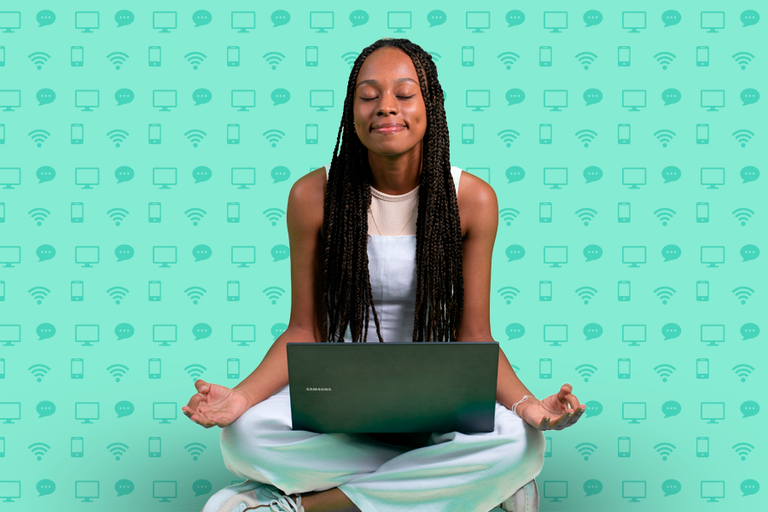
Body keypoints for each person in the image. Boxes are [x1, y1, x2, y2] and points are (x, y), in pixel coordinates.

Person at [184, 37, 586, 512]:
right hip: (339, 403)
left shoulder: (472, 200)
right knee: (243, 437)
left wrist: (529, 407)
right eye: (369, 95)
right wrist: (240, 399)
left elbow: (475, 338)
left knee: (522, 443)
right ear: (351, 111)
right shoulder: (313, 197)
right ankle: (471, 482)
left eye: (403, 93)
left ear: (430, 105)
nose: (385, 107)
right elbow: (304, 329)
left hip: (439, 402)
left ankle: (300, 506)